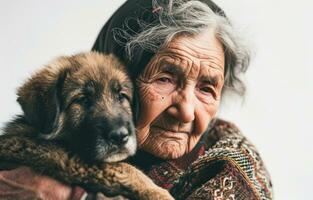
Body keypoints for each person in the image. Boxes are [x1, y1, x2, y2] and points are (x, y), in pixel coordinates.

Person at [0, 0, 273, 199]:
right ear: (122, 73)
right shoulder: (28, 160)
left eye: (206, 88)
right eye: (165, 78)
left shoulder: (232, 167)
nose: (187, 111)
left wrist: (72, 197)